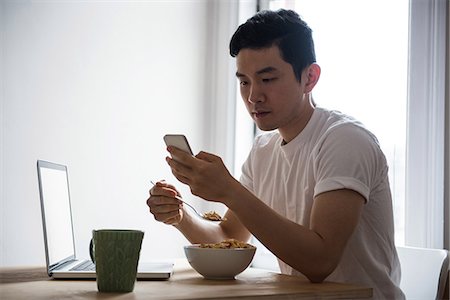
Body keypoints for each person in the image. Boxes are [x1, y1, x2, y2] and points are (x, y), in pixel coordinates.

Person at [147, 9, 404, 299]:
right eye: (244, 81)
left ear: (309, 78)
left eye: (267, 79)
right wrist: (181, 216)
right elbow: (228, 238)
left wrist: (229, 190)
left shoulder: (344, 140)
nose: (253, 96)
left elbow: (320, 261)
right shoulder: (263, 151)